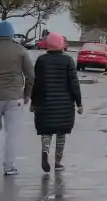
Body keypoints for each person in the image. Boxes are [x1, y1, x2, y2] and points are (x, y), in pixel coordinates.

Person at [0, 21, 35, 176]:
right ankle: (9, 166)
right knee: (11, 133)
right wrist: (27, 93)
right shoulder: (21, 51)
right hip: (14, 97)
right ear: (12, 34)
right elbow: (31, 75)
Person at [30, 32, 82, 173]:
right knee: (61, 134)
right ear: (62, 45)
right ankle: (58, 162)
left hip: (44, 104)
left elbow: (37, 83)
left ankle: (45, 151)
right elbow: (74, 84)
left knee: (46, 132)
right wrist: (79, 103)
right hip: (64, 106)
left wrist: (33, 102)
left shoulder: (41, 61)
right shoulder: (68, 61)